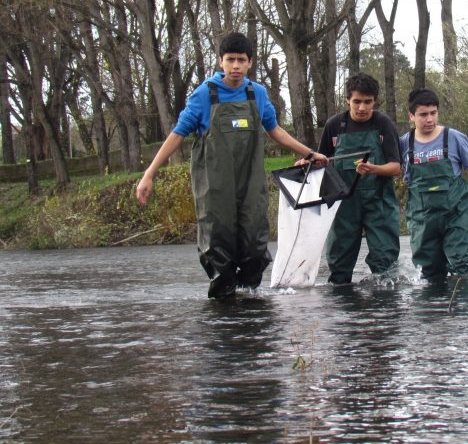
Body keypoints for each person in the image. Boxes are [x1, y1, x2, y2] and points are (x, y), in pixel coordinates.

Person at [136, 32, 327, 299]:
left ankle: (249, 303)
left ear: (250, 62)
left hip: (250, 185)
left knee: (255, 245)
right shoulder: (204, 95)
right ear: (220, 62)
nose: (235, 66)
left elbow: (275, 131)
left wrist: (309, 153)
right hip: (215, 188)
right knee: (219, 245)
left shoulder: (256, 93)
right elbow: (177, 135)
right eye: (230, 60)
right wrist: (149, 174)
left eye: (241, 60)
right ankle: (224, 306)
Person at [400, 88, 468, 280]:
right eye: (423, 115)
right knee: (427, 270)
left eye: (433, 113)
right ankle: (433, 309)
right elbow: (389, 170)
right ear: (411, 116)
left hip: (456, 214)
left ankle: (465, 307)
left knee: (461, 263)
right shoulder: (404, 143)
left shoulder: (454, 137)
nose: (429, 119)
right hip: (422, 219)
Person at [316, 73, 401, 284]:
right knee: (339, 264)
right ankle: (343, 311)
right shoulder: (334, 126)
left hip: (379, 202)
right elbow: (322, 162)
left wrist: (374, 169)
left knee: (385, 263)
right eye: (357, 101)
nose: (362, 108)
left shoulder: (383, 124)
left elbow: (396, 167)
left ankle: (384, 310)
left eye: (368, 102)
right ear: (347, 100)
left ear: (375, 101)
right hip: (344, 205)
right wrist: (307, 162)